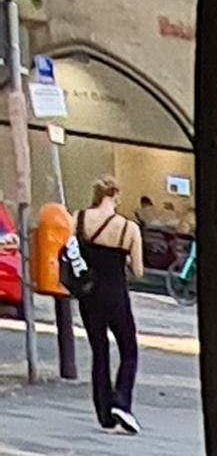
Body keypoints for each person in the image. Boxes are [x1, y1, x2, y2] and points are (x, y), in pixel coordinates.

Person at [73, 181, 143, 426]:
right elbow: (138, 270)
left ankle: (104, 414)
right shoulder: (129, 229)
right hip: (116, 294)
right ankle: (121, 401)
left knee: (99, 351)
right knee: (129, 349)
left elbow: (72, 252)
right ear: (115, 195)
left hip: (89, 294)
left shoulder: (79, 219)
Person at [29, 188, 77, 379]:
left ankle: (68, 369)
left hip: (53, 273)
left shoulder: (51, 220)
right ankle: (69, 370)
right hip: (58, 276)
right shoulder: (59, 222)